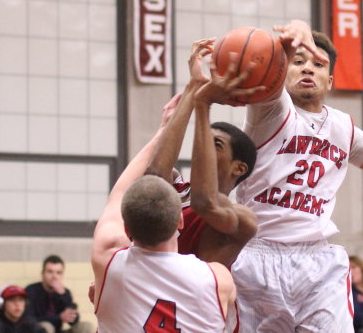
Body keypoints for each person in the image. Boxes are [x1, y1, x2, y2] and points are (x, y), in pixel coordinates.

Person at [227, 19, 363, 332]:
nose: (307, 68)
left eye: (318, 64)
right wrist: (298, 28)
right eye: (298, 62)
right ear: (282, 73)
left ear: (329, 81)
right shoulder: (271, 110)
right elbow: (274, 65)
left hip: (317, 261)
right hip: (257, 256)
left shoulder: (343, 128)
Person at [90, 85, 241, 333]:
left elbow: (118, 194)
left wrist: (163, 130)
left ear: (127, 229)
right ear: (180, 220)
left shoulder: (108, 263)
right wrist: (200, 103)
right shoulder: (218, 279)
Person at [143, 39, 258, 267]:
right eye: (202, 139)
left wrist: (203, 104)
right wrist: (193, 87)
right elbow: (154, 177)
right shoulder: (178, 190)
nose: (202, 146)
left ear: (239, 167)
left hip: (189, 292)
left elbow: (204, 202)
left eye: (215, 144)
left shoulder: (243, 220)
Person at [25, 256, 92, 333]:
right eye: (50, 272)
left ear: (62, 275)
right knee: (46, 326)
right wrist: (59, 317)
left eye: (58, 273)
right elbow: (29, 320)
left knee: (86, 326)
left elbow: (74, 321)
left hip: (59, 331)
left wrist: (62, 295)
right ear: (42, 274)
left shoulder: (64, 292)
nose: (54, 276)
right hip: (40, 330)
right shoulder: (31, 290)